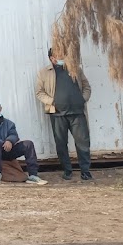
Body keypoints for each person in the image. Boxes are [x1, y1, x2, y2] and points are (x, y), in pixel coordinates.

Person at [36, 48, 92, 181]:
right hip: (57, 114)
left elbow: (86, 86)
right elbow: (39, 92)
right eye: (58, 55)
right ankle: (67, 171)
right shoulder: (44, 73)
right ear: (52, 58)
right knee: (61, 143)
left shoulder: (74, 69)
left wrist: (82, 99)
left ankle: (85, 171)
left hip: (77, 113)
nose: (62, 57)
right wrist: (52, 101)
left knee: (83, 142)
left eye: (63, 54)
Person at [0, 99, 48, 185]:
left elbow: (14, 135)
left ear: (0, 108)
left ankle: (33, 175)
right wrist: (3, 142)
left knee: (28, 144)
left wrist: (10, 141)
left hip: (6, 150)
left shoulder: (9, 123)